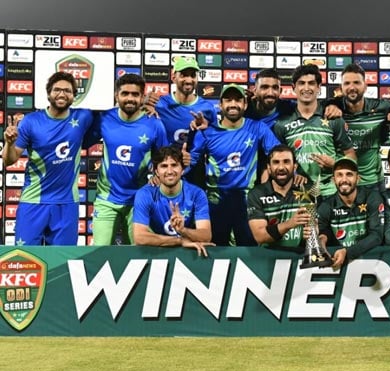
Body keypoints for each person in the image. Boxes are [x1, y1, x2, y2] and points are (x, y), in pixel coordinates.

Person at [2, 72, 95, 245]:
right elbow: (9, 160)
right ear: (48, 94)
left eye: (67, 91)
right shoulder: (31, 121)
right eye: (57, 90)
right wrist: (8, 143)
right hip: (33, 202)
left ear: (74, 96)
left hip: (67, 203)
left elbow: (118, 117)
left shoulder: (83, 117)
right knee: (27, 258)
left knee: (62, 262)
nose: (62, 94)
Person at [189, 83, 281, 247]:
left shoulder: (257, 127)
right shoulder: (207, 132)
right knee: (216, 255)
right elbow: (189, 163)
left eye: (238, 100)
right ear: (220, 105)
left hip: (247, 203)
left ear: (245, 104)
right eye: (228, 100)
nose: (233, 104)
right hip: (216, 203)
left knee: (250, 254)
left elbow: (278, 154)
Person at [90, 73, 168, 245]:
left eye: (135, 94)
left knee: (138, 255)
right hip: (106, 200)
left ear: (142, 97)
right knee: (98, 254)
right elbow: (79, 141)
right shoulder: (105, 119)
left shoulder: (154, 124)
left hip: (138, 200)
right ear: (116, 96)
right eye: (125, 94)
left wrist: (159, 176)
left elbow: (164, 159)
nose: (130, 98)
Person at [273, 64, 356, 198]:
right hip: (299, 194)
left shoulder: (333, 118)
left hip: (332, 193)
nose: (306, 88)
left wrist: (335, 165)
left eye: (311, 83)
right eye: (301, 83)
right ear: (294, 88)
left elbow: (351, 155)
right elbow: (277, 161)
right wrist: (293, 173)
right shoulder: (282, 124)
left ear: (319, 87)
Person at [325, 63, 390, 190]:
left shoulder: (379, 107)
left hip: (373, 182)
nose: (351, 87)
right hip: (342, 181)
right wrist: (331, 104)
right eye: (347, 83)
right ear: (341, 88)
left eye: (356, 83)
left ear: (365, 87)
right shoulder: (332, 110)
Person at [132, 146, 213, 256]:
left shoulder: (197, 194)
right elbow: (140, 237)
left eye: (174, 165)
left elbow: (206, 235)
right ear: (156, 171)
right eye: (164, 166)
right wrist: (179, 241)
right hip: (156, 252)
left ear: (182, 169)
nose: (169, 171)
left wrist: (183, 230)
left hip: (188, 252)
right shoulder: (145, 194)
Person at [151, 57, 217, 187]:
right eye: (183, 75)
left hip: (196, 174)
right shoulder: (159, 105)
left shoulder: (208, 108)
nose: (189, 80)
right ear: (173, 76)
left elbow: (214, 142)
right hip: (165, 172)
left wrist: (207, 128)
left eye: (192, 75)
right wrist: (143, 106)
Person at [316, 157, 384, 269]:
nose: (344, 179)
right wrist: (321, 243)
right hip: (340, 264)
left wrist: (347, 252)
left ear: (358, 179)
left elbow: (377, 235)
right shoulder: (326, 205)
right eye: (339, 175)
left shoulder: (372, 197)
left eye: (349, 174)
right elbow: (322, 231)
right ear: (333, 180)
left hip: (372, 262)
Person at [247, 145, 312, 249]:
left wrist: (313, 233)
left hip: (301, 257)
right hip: (270, 259)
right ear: (269, 168)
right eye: (276, 162)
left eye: (286, 162)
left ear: (295, 166)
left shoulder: (309, 191)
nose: (281, 167)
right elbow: (260, 236)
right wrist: (290, 224)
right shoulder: (256, 194)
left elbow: (318, 228)